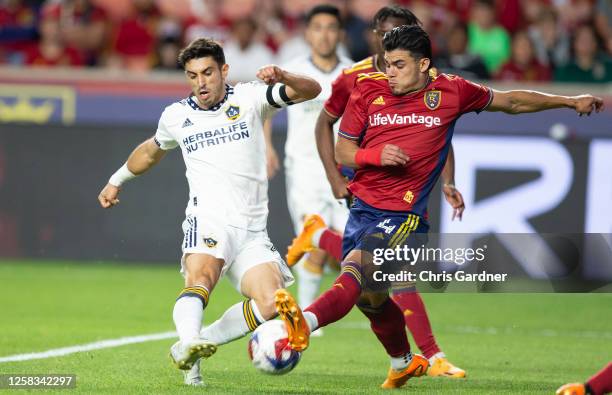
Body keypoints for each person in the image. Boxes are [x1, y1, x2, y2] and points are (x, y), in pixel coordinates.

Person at [275, 24, 603, 389]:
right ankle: (402, 362)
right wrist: (376, 155)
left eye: (398, 64)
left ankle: (303, 323)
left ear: (424, 64)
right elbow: (343, 150)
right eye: (386, 63)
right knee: (371, 299)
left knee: (356, 268)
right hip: (362, 209)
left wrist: (569, 101)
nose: (389, 72)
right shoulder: (367, 89)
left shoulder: (452, 91)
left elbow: (511, 101)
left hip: (405, 217)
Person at [97, 38, 321, 386]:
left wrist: (283, 75)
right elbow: (151, 151)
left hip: (252, 231)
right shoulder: (176, 115)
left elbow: (312, 89)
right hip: (209, 220)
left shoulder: (249, 98)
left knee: (270, 303)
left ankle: (197, 346)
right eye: (192, 76)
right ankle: (190, 343)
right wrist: (117, 179)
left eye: (207, 73)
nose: (200, 82)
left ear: (224, 71)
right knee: (201, 279)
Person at [288, 4, 467, 379]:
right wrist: (337, 179)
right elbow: (325, 125)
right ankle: (430, 357)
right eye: (388, 36)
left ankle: (318, 235)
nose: (393, 42)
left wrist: (448, 181)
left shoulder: (427, 78)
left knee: (372, 275)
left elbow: (437, 132)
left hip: (403, 192)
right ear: (375, 36)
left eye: (402, 33)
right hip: (363, 185)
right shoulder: (353, 77)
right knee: (372, 271)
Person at [263, 4, 352, 330]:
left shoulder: (355, 72)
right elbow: (265, 109)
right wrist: (267, 146)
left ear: (340, 34)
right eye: (318, 27)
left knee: (348, 250)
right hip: (304, 171)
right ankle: (308, 317)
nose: (325, 34)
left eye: (331, 28)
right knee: (313, 240)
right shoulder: (293, 71)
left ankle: (312, 311)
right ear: (307, 33)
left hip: (345, 171)